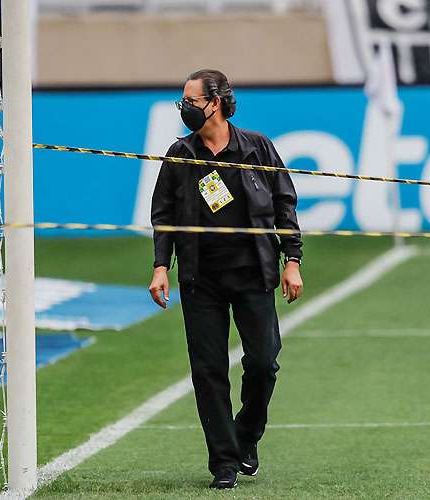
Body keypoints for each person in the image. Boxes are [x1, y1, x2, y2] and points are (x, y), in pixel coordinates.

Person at [148, 69, 303, 489]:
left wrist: (292, 260)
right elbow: (163, 216)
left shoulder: (257, 147)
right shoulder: (179, 155)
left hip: (254, 274)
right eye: (182, 102)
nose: (184, 109)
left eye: (191, 102)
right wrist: (162, 266)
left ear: (215, 103)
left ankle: (245, 436)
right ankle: (223, 462)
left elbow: (284, 203)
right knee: (208, 370)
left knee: (264, 363)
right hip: (201, 281)